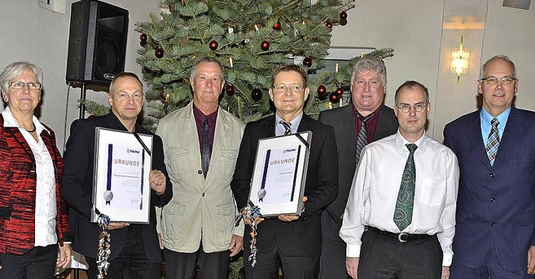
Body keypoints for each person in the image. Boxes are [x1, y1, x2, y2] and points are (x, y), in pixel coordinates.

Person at [340, 81, 458, 279]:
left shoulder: (445, 158)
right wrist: (353, 251)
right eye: (405, 106)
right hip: (377, 249)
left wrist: (446, 258)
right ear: (396, 110)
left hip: (424, 252)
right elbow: (355, 205)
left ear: (428, 108)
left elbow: (449, 211)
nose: (412, 113)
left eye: (418, 105)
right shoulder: (373, 153)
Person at [231, 64, 339, 278]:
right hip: (260, 238)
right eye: (281, 87)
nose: (288, 94)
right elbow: (240, 180)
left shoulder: (323, 133)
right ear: (271, 94)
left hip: (302, 240)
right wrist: (250, 210)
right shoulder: (253, 131)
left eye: (295, 87)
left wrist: (302, 207)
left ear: (306, 93)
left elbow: (329, 187)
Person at [0, 62, 71, 278]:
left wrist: (64, 238)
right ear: (5, 93)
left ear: (39, 94)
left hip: (46, 247)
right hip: (4, 248)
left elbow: (57, 193)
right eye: (18, 84)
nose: (26, 90)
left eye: (33, 84)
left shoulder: (47, 135)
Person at [62, 72, 172, 279]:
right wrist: (99, 213)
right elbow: (69, 184)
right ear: (111, 99)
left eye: (137, 95)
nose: (131, 101)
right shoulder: (88, 130)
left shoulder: (151, 141)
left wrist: (161, 187)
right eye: (123, 95)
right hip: (105, 238)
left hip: (144, 243)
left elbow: (163, 196)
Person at [444, 55, 535, 278]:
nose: (499, 86)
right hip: (466, 249)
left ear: (516, 86)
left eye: (506, 79)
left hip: (518, 248)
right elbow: (447, 192)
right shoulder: (456, 131)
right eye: (491, 79)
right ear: (480, 86)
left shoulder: (533, 128)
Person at [156, 57, 244, 279]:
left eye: (215, 79)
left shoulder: (239, 129)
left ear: (223, 86)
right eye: (203, 78)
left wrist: (240, 229)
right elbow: (157, 177)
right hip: (178, 226)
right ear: (192, 82)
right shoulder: (168, 125)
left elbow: (244, 183)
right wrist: (156, 227)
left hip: (220, 229)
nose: (209, 84)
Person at [317, 58, 398, 279]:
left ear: (384, 87)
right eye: (360, 82)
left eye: (373, 82)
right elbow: (320, 172)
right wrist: (342, 212)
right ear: (351, 87)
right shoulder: (328, 120)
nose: (366, 89)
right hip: (334, 225)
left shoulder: (397, 122)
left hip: (380, 231)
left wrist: (368, 216)